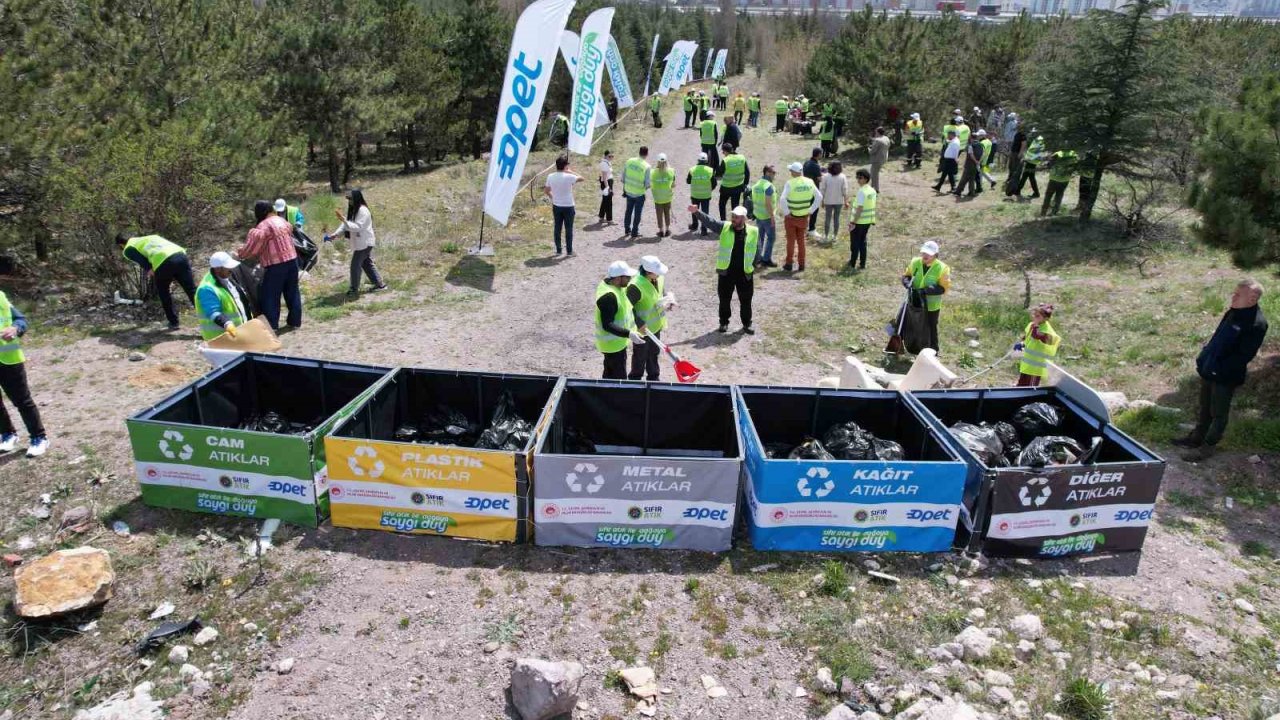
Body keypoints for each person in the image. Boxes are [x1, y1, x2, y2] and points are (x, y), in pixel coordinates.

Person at [1175, 279, 1269, 461]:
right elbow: (1217, 338)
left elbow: (1244, 356)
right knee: (1204, 407)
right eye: (1233, 292)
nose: (1233, 297)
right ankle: (1195, 439)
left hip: (1225, 376)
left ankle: (1207, 448)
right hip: (1210, 368)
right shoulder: (1233, 313)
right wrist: (1204, 359)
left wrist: (1219, 370)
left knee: (1218, 413)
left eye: (1237, 294)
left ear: (1252, 299)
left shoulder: (1257, 324)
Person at [689, 205, 757, 334]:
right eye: (733, 216)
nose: (734, 219)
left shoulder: (753, 231)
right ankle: (724, 323)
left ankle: (747, 324)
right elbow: (710, 222)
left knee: (746, 300)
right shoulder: (725, 227)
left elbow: (756, 251)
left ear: (743, 219)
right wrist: (697, 212)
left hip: (745, 273)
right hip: (727, 273)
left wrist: (753, 265)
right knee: (724, 299)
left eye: (737, 217)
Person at [0, 290, 49, 457]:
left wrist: (15, 329)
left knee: (22, 401)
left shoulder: (0, 297)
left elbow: (21, 320)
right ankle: (8, 434)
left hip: (8, 358)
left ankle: (39, 437)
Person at [238, 200, 301, 330]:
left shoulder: (262, 227)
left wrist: (240, 253)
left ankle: (272, 325)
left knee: (271, 295)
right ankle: (294, 322)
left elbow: (252, 250)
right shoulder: (282, 221)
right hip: (292, 261)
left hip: (275, 266)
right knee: (292, 292)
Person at [116, 233, 196, 330]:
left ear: (121, 244)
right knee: (192, 291)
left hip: (163, 262)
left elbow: (144, 263)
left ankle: (173, 322)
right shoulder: (149, 237)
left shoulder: (128, 248)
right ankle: (211, 318)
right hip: (180, 255)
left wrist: (156, 273)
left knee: (164, 293)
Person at [328, 188, 386, 296]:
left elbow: (358, 227)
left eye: (350, 198)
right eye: (348, 199)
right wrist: (335, 234)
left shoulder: (363, 210)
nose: (349, 201)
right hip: (361, 242)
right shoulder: (354, 209)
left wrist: (344, 220)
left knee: (355, 265)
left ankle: (354, 289)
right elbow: (346, 225)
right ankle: (380, 284)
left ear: (356, 198)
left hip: (365, 242)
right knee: (366, 263)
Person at [595, 261, 643, 380]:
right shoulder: (608, 297)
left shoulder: (615, 286)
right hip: (612, 346)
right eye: (627, 277)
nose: (630, 279)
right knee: (618, 379)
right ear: (617, 278)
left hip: (618, 342)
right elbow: (607, 325)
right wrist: (629, 334)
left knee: (610, 374)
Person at [901, 241, 951, 353]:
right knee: (913, 325)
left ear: (935, 255)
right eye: (923, 252)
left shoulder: (942, 268)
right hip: (914, 302)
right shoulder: (915, 262)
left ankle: (933, 352)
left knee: (931, 328)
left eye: (929, 254)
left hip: (931, 306)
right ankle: (913, 348)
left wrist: (926, 290)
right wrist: (906, 282)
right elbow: (907, 275)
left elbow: (943, 288)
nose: (925, 255)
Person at [627, 255, 671, 381]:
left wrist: (668, 300)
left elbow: (660, 293)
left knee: (653, 353)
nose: (659, 275)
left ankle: (654, 377)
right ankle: (635, 380)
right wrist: (639, 323)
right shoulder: (635, 286)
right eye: (656, 273)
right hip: (642, 331)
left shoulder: (659, 277)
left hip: (655, 327)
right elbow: (628, 308)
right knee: (639, 357)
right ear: (648, 272)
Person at [196, 251, 250, 341]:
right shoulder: (207, 288)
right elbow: (213, 312)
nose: (231, 269)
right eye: (228, 267)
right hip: (220, 338)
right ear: (218, 269)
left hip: (237, 334)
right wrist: (227, 324)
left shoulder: (227, 278)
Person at [780, 161, 822, 272]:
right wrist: (811, 211)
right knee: (801, 241)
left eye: (791, 171)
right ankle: (802, 264)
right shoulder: (810, 182)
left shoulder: (790, 183)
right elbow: (819, 197)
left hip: (791, 218)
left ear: (793, 172)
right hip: (803, 217)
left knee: (790, 241)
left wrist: (787, 212)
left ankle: (789, 264)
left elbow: (782, 199)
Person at [1013, 303, 1061, 387]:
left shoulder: (1046, 330)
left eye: (1037, 316)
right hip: (1027, 364)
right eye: (1034, 315)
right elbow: (1027, 338)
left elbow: (1037, 336)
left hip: (1036, 367)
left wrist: (1036, 327)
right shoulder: (1032, 325)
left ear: (1046, 318)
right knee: (1021, 385)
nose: (1034, 317)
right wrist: (1022, 343)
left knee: (1031, 388)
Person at [543, 156, 582, 255]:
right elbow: (582, 178)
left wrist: (553, 198)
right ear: (565, 166)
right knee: (569, 229)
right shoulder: (569, 176)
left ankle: (558, 250)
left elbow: (546, 191)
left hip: (557, 205)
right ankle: (569, 251)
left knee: (557, 228)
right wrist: (571, 171)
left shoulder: (550, 176)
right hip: (568, 205)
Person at [848, 168, 876, 270]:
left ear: (866, 179)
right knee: (863, 243)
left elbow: (860, 208)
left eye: (860, 178)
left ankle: (852, 263)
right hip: (868, 221)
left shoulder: (861, 192)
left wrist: (853, 222)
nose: (858, 180)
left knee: (855, 243)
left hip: (858, 222)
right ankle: (862, 264)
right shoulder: (872, 191)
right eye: (857, 177)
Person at [750, 165, 778, 267]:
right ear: (767, 173)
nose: (774, 175)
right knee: (771, 238)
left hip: (758, 215)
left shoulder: (757, 184)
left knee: (760, 238)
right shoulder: (768, 186)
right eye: (773, 173)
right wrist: (772, 217)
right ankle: (766, 259)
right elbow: (768, 204)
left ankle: (758, 258)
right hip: (767, 216)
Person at [622, 146, 651, 239]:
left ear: (639, 152)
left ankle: (627, 230)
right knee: (637, 213)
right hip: (639, 194)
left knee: (628, 211)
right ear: (647, 154)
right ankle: (634, 232)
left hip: (628, 191)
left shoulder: (629, 161)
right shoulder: (647, 166)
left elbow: (623, 178)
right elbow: (647, 184)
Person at [716, 143, 750, 220]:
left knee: (722, 204)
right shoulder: (742, 158)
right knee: (735, 207)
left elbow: (719, 174)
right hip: (738, 187)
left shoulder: (726, 160)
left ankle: (723, 222)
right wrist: (745, 184)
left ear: (726, 151)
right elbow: (747, 172)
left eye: (723, 152)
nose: (723, 154)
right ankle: (735, 223)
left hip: (726, 188)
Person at [1040, 149, 1078, 217]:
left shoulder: (1057, 154)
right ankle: (1054, 212)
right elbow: (1075, 167)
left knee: (1048, 195)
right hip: (1065, 180)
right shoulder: (1074, 154)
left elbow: (1049, 165)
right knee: (1059, 195)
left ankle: (1043, 212)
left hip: (1054, 179)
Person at [687, 153, 717, 236]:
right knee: (705, 212)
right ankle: (704, 230)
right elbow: (714, 183)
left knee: (694, 210)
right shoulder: (710, 170)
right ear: (706, 161)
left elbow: (688, 181)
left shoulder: (692, 170)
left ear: (698, 160)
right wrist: (710, 189)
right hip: (706, 195)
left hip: (695, 194)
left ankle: (694, 225)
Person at [820, 161, 849, 240]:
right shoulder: (842, 177)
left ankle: (826, 236)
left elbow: (822, 189)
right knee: (836, 218)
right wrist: (846, 201)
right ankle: (835, 236)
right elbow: (845, 190)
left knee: (827, 218)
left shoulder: (825, 176)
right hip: (839, 201)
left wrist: (822, 201)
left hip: (828, 201)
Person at [650, 154, 676, 238]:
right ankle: (667, 230)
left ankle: (661, 231)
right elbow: (673, 185)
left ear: (658, 161)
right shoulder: (671, 171)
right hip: (667, 197)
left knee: (659, 214)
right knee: (667, 213)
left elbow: (651, 184)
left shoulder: (653, 172)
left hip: (657, 198)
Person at [1015, 130, 1044, 199]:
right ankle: (1036, 193)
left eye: (1033, 133)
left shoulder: (1039, 141)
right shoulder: (1036, 140)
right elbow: (1031, 151)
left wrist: (1027, 159)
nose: (1032, 134)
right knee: (1030, 177)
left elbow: (1037, 153)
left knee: (1025, 176)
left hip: (1032, 162)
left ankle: (1018, 191)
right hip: (1030, 161)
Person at [803, 148, 824, 236]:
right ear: (818, 154)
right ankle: (811, 229)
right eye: (821, 154)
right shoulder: (816, 166)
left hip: (805, 189)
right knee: (814, 209)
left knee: (805, 208)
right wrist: (823, 175)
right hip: (813, 190)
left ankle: (804, 226)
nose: (822, 155)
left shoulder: (806, 162)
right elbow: (819, 179)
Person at [1004, 120, 1027, 198]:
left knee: (1016, 172)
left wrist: (1020, 154)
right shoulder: (1017, 133)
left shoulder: (1023, 134)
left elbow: (1024, 144)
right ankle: (1010, 187)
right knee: (1012, 169)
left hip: (1017, 154)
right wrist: (1011, 152)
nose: (1017, 126)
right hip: (1013, 153)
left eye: (1018, 125)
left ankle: (1013, 190)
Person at [955, 133, 983, 198]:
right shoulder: (981, 145)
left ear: (971, 138)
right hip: (976, 165)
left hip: (969, 164)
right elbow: (983, 154)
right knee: (972, 179)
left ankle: (958, 191)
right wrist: (978, 162)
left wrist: (975, 161)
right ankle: (971, 192)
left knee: (964, 179)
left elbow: (971, 155)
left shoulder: (970, 146)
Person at [868, 127, 890, 193]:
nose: (875, 133)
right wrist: (873, 139)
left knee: (874, 174)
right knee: (874, 173)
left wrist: (869, 149)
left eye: (876, 132)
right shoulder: (886, 138)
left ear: (878, 132)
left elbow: (872, 151)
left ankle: (876, 189)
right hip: (884, 158)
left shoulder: (877, 141)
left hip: (877, 160)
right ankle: (873, 187)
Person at [598, 150, 614, 225]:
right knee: (608, 201)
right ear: (605, 156)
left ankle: (601, 217)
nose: (611, 158)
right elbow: (604, 177)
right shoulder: (604, 163)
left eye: (612, 156)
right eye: (609, 156)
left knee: (605, 200)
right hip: (606, 183)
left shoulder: (607, 162)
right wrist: (608, 187)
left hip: (607, 182)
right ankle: (609, 219)